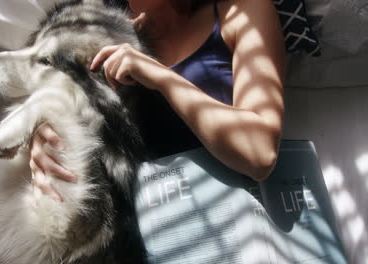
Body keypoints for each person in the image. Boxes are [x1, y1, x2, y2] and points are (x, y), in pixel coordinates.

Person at [29, 0, 286, 200]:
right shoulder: (108, 33)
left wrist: (160, 76)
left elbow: (260, 154)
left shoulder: (241, 11)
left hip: (237, 220)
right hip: (142, 226)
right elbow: (66, 107)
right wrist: (44, 136)